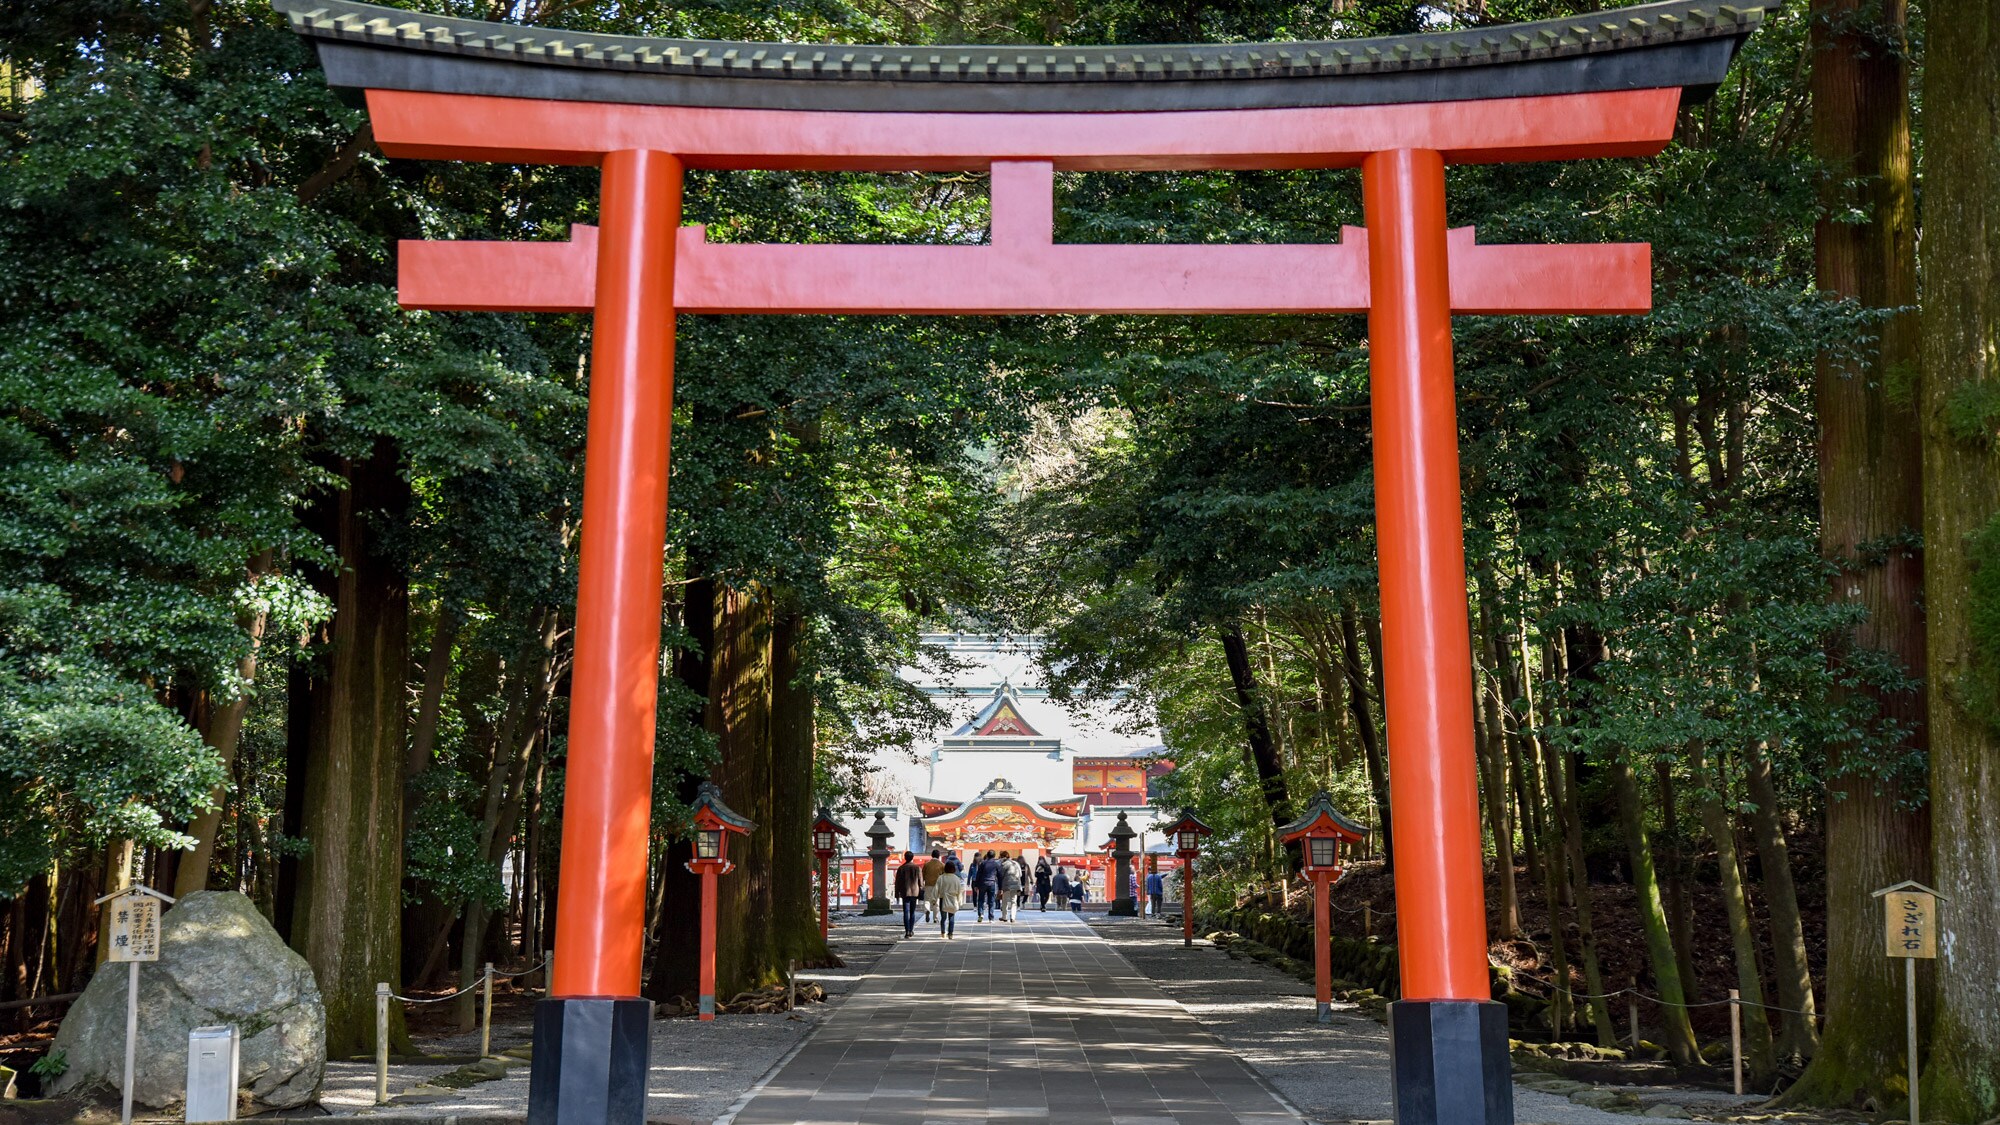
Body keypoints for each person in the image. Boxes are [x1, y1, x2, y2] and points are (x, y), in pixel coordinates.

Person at [894, 850, 925, 938]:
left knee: (906, 912)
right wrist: (921, 891)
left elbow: (897, 882)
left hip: (905, 892)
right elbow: (921, 882)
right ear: (912, 858)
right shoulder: (917, 868)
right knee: (912, 912)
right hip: (915, 892)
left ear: (905, 858)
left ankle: (907, 931)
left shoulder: (901, 868)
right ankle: (911, 930)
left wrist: (897, 894)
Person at [935, 859, 966, 939]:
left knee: (943, 918)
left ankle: (943, 932)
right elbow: (959, 891)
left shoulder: (941, 878)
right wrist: (960, 901)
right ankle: (950, 933)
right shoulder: (956, 879)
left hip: (943, 899)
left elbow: (936, 889)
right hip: (953, 899)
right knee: (951, 917)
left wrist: (934, 899)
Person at [920, 848, 945, 922]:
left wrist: (922, 884)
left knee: (927, 900)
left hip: (928, 884)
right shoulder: (942, 865)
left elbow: (923, 875)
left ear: (931, 855)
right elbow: (944, 876)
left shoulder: (927, 864)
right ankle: (935, 918)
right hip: (937, 885)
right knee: (936, 901)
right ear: (939, 856)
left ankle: (927, 910)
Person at [974, 851, 1001, 921]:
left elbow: (978, 874)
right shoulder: (996, 864)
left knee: (980, 900)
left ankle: (981, 914)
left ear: (987, 856)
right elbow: (999, 876)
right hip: (991, 883)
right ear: (994, 856)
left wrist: (976, 885)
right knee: (991, 901)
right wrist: (1000, 887)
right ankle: (991, 918)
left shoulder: (983, 863)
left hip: (982, 883)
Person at [999, 850, 1023, 922]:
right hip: (1016, 883)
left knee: (1005, 900)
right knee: (1014, 901)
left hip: (1007, 884)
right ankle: (1013, 917)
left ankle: (1004, 916)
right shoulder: (1016, 863)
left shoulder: (1004, 864)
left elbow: (1001, 875)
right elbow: (1020, 874)